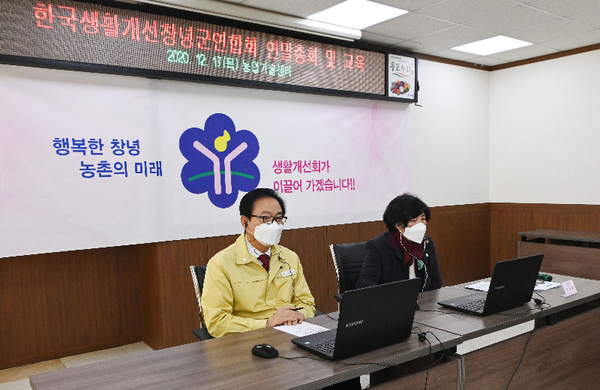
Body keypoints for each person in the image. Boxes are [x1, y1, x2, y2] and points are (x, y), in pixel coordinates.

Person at [201, 188, 316, 338]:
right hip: (247, 340)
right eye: (265, 218)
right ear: (245, 222)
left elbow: (307, 303)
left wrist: (297, 315)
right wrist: (267, 324)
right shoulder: (221, 264)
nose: (273, 224)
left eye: (278, 218)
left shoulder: (290, 257)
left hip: (290, 333)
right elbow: (217, 322)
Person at [356, 193, 442, 291]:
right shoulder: (378, 246)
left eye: (423, 219)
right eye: (414, 221)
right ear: (398, 225)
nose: (421, 225)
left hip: (423, 303)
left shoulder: (427, 243)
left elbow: (435, 281)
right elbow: (365, 282)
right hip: (391, 303)